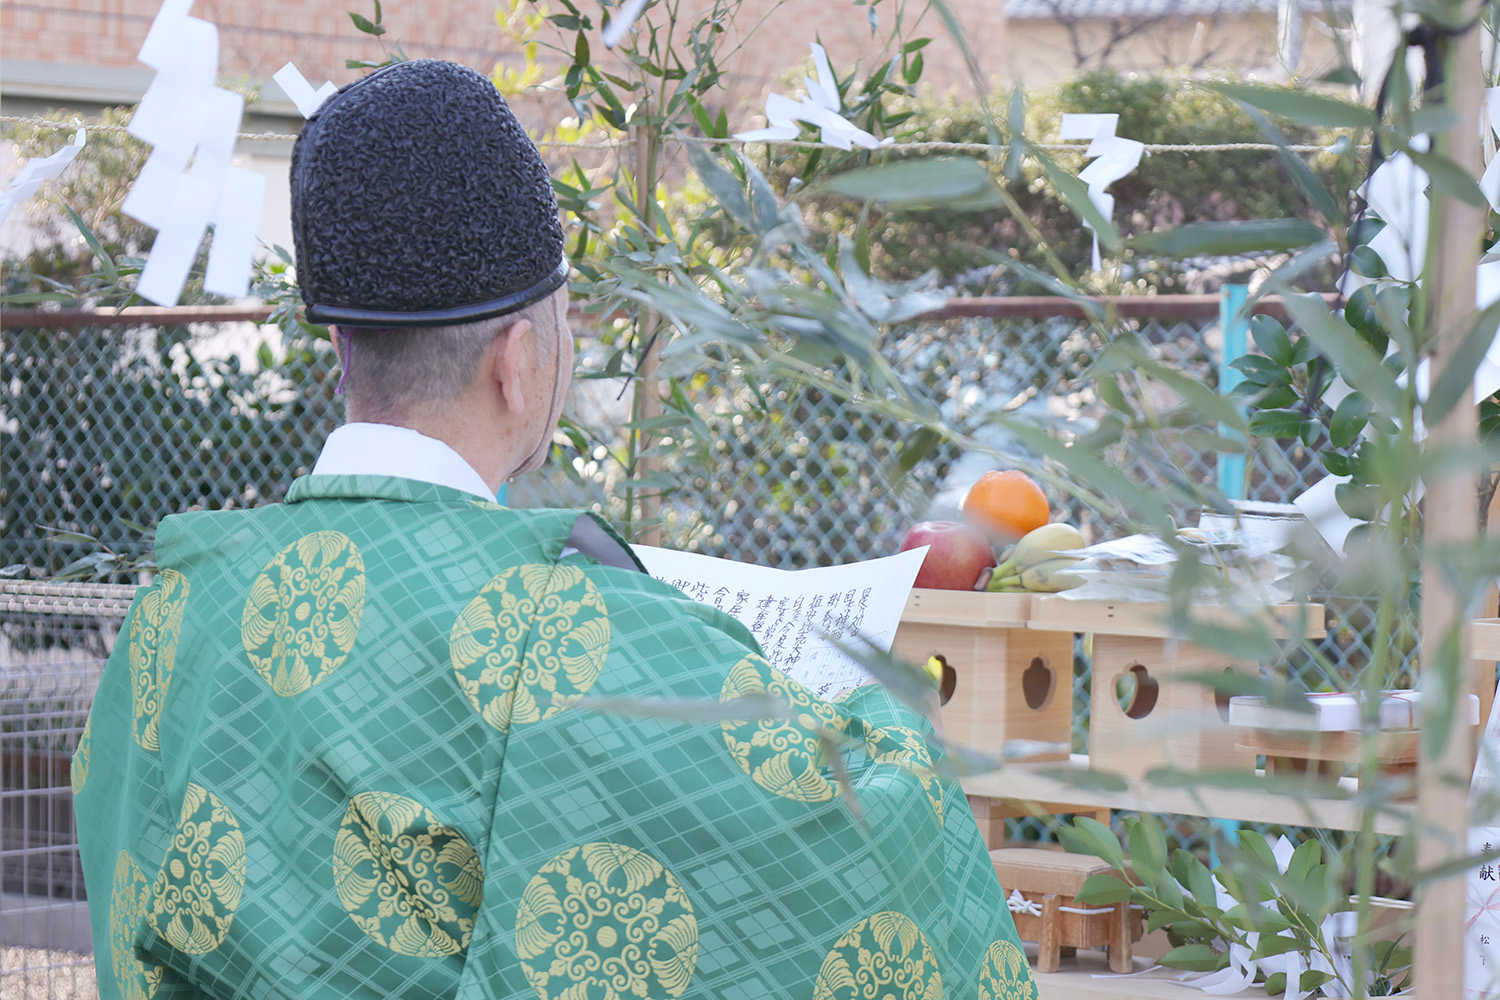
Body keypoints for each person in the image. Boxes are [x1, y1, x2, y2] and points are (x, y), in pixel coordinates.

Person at [72, 59, 1038, 1000]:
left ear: (339, 346)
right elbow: (861, 841)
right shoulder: (559, 631)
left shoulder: (169, 619)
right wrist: (885, 716)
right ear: (519, 358)